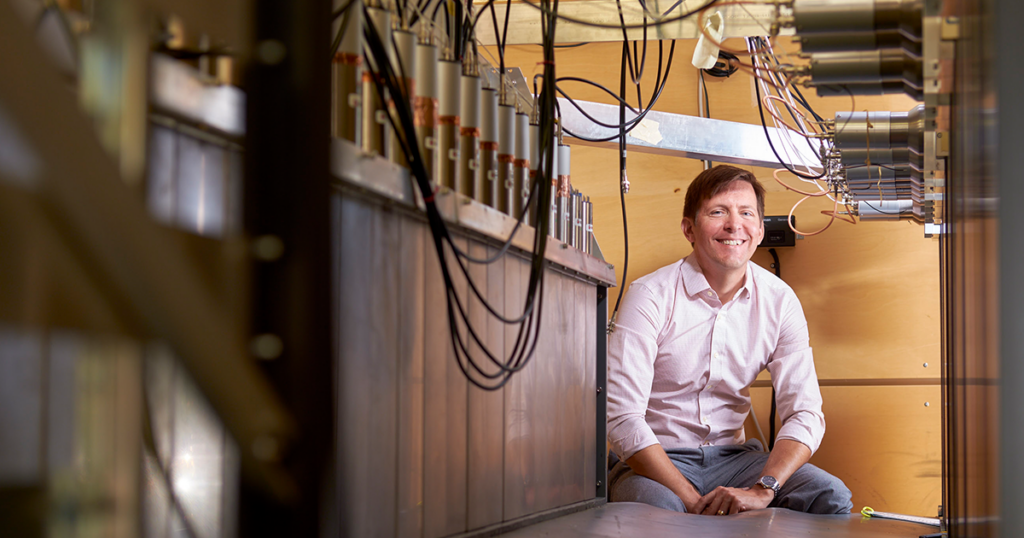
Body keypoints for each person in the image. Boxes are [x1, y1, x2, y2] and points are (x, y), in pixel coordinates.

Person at [606, 165, 853, 516]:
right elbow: (621, 417)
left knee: (829, 495)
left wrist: (763, 489)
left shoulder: (780, 302)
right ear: (689, 229)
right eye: (718, 212)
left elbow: (805, 412)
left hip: (738, 461)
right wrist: (693, 502)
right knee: (658, 509)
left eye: (746, 213)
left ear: (760, 230)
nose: (734, 225)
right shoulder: (650, 295)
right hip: (657, 460)